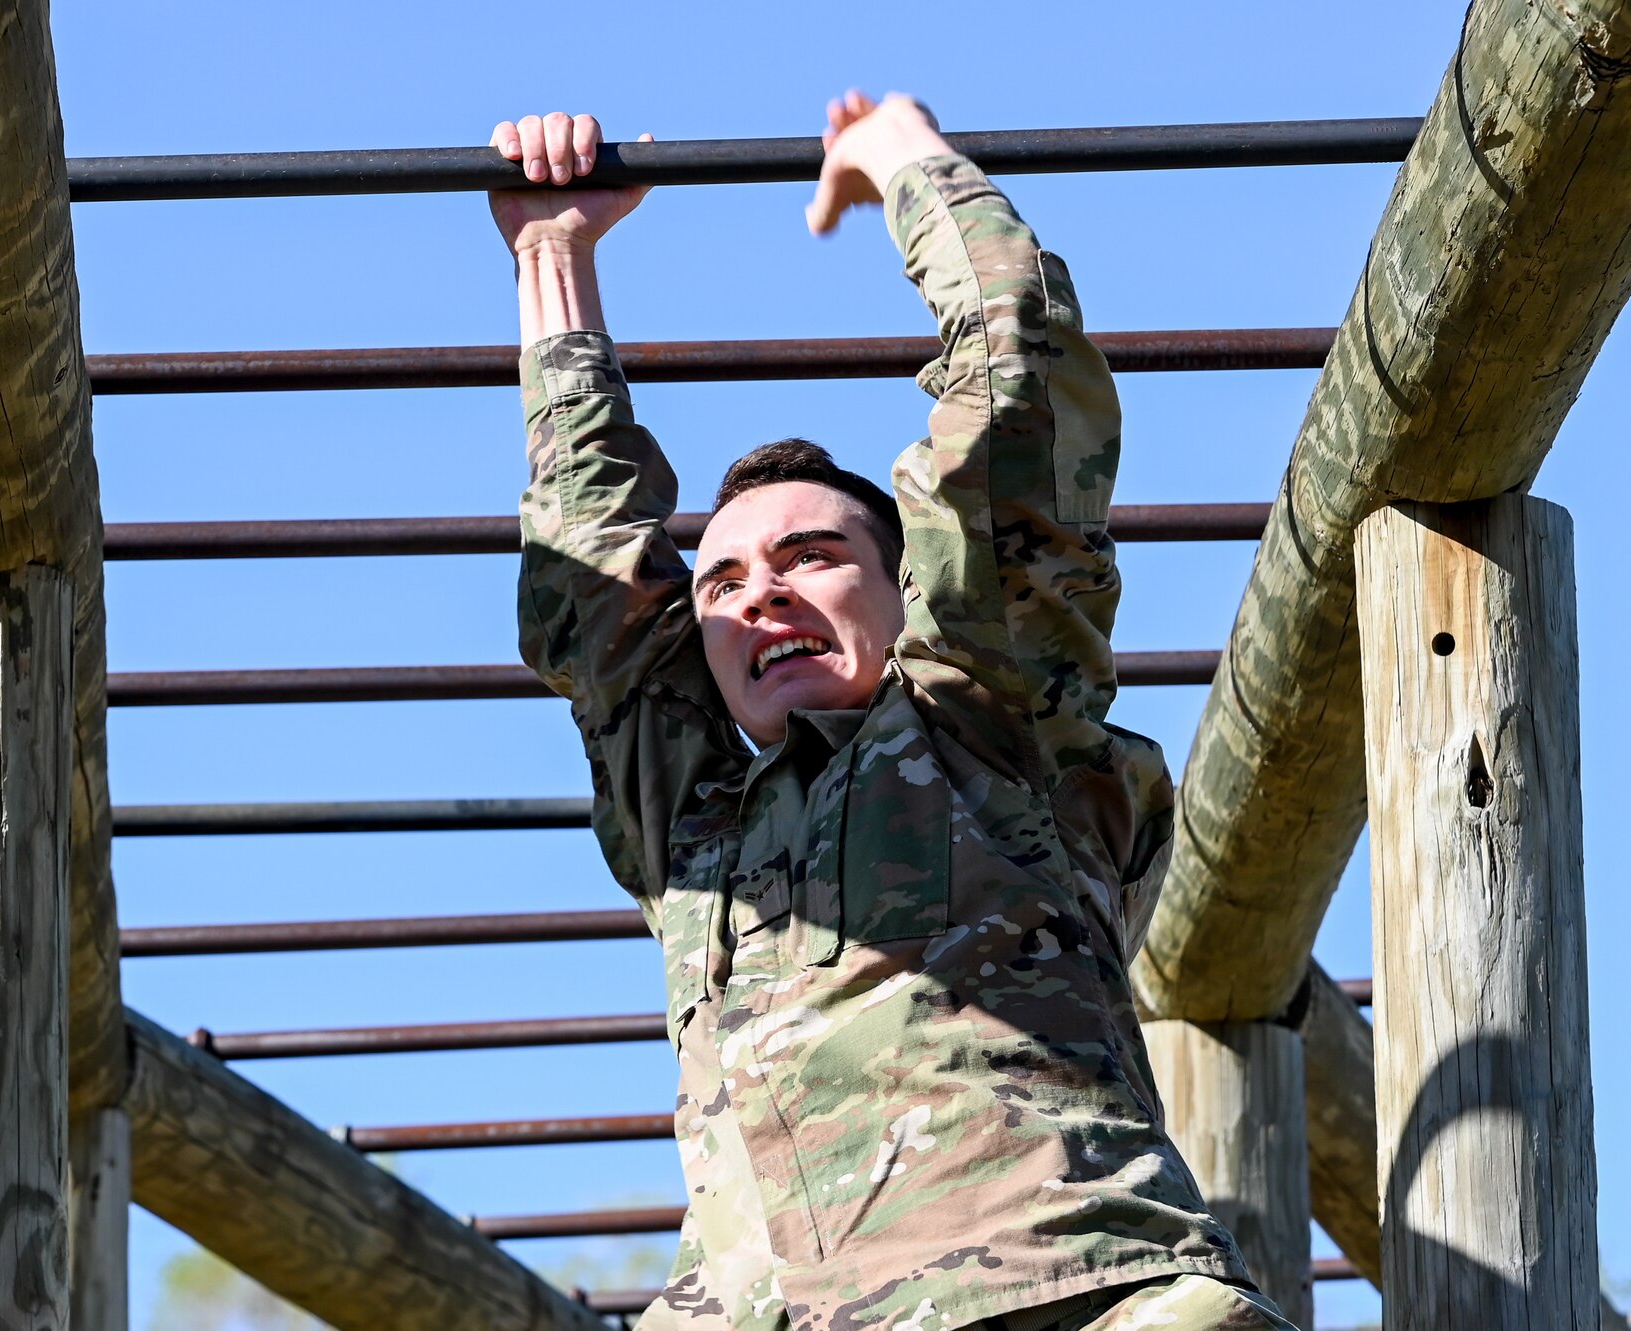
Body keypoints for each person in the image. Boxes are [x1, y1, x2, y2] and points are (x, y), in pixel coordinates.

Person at [489, 92, 1297, 1331]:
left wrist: (912, 167)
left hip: (1048, 1284)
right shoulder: (695, 830)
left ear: (903, 585)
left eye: (808, 557)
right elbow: (586, 584)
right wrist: (553, 259)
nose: (760, 595)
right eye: (721, 581)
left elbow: (1012, 392)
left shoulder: (981, 716)